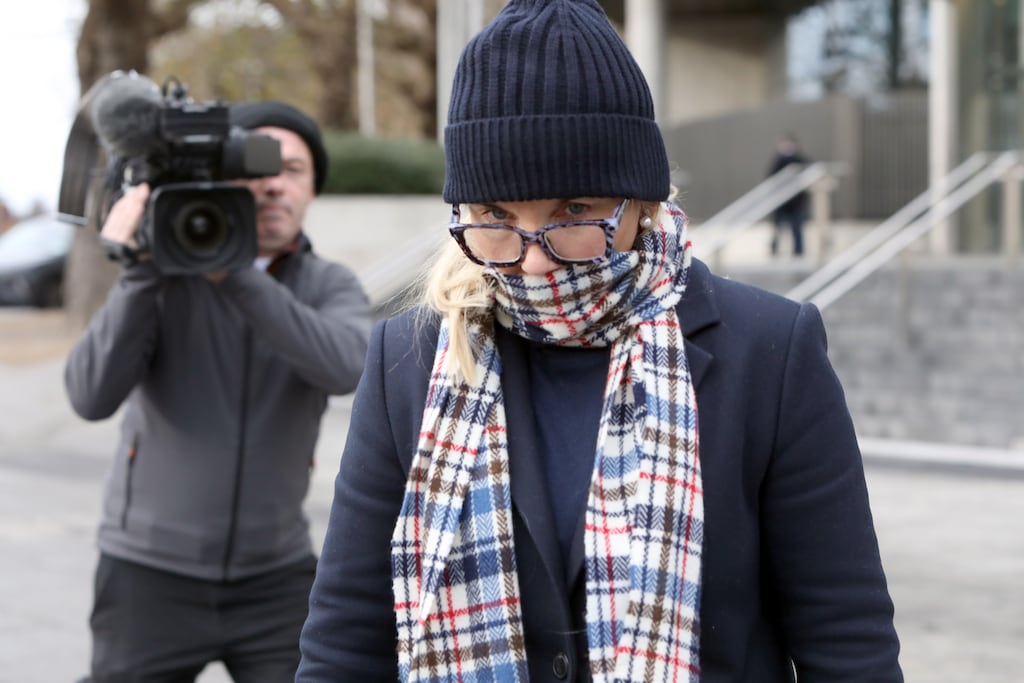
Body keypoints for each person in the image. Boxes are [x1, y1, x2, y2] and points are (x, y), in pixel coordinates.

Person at [295, 1, 903, 681]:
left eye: (573, 212)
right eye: (496, 216)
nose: (532, 261)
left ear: (640, 200)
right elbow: (347, 638)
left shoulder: (770, 350)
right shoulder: (409, 359)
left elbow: (846, 639)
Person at [65, 100, 372, 682]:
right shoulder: (159, 279)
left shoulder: (329, 284)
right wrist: (140, 270)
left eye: (294, 170)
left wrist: (233, 271)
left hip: (276, 574)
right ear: (226, 177)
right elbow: (88, 395)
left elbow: (345, 368)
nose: (274, 185)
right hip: (149, 572)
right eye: (258, 167)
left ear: (313, 189)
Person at [766, 132, 811, 257]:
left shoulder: (800, 159)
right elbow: (771, 177)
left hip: (796, 204)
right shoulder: (778, 160)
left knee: (797, 230)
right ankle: (774, 251)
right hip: (781, 202)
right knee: (777, 230)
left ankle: (798, 253)